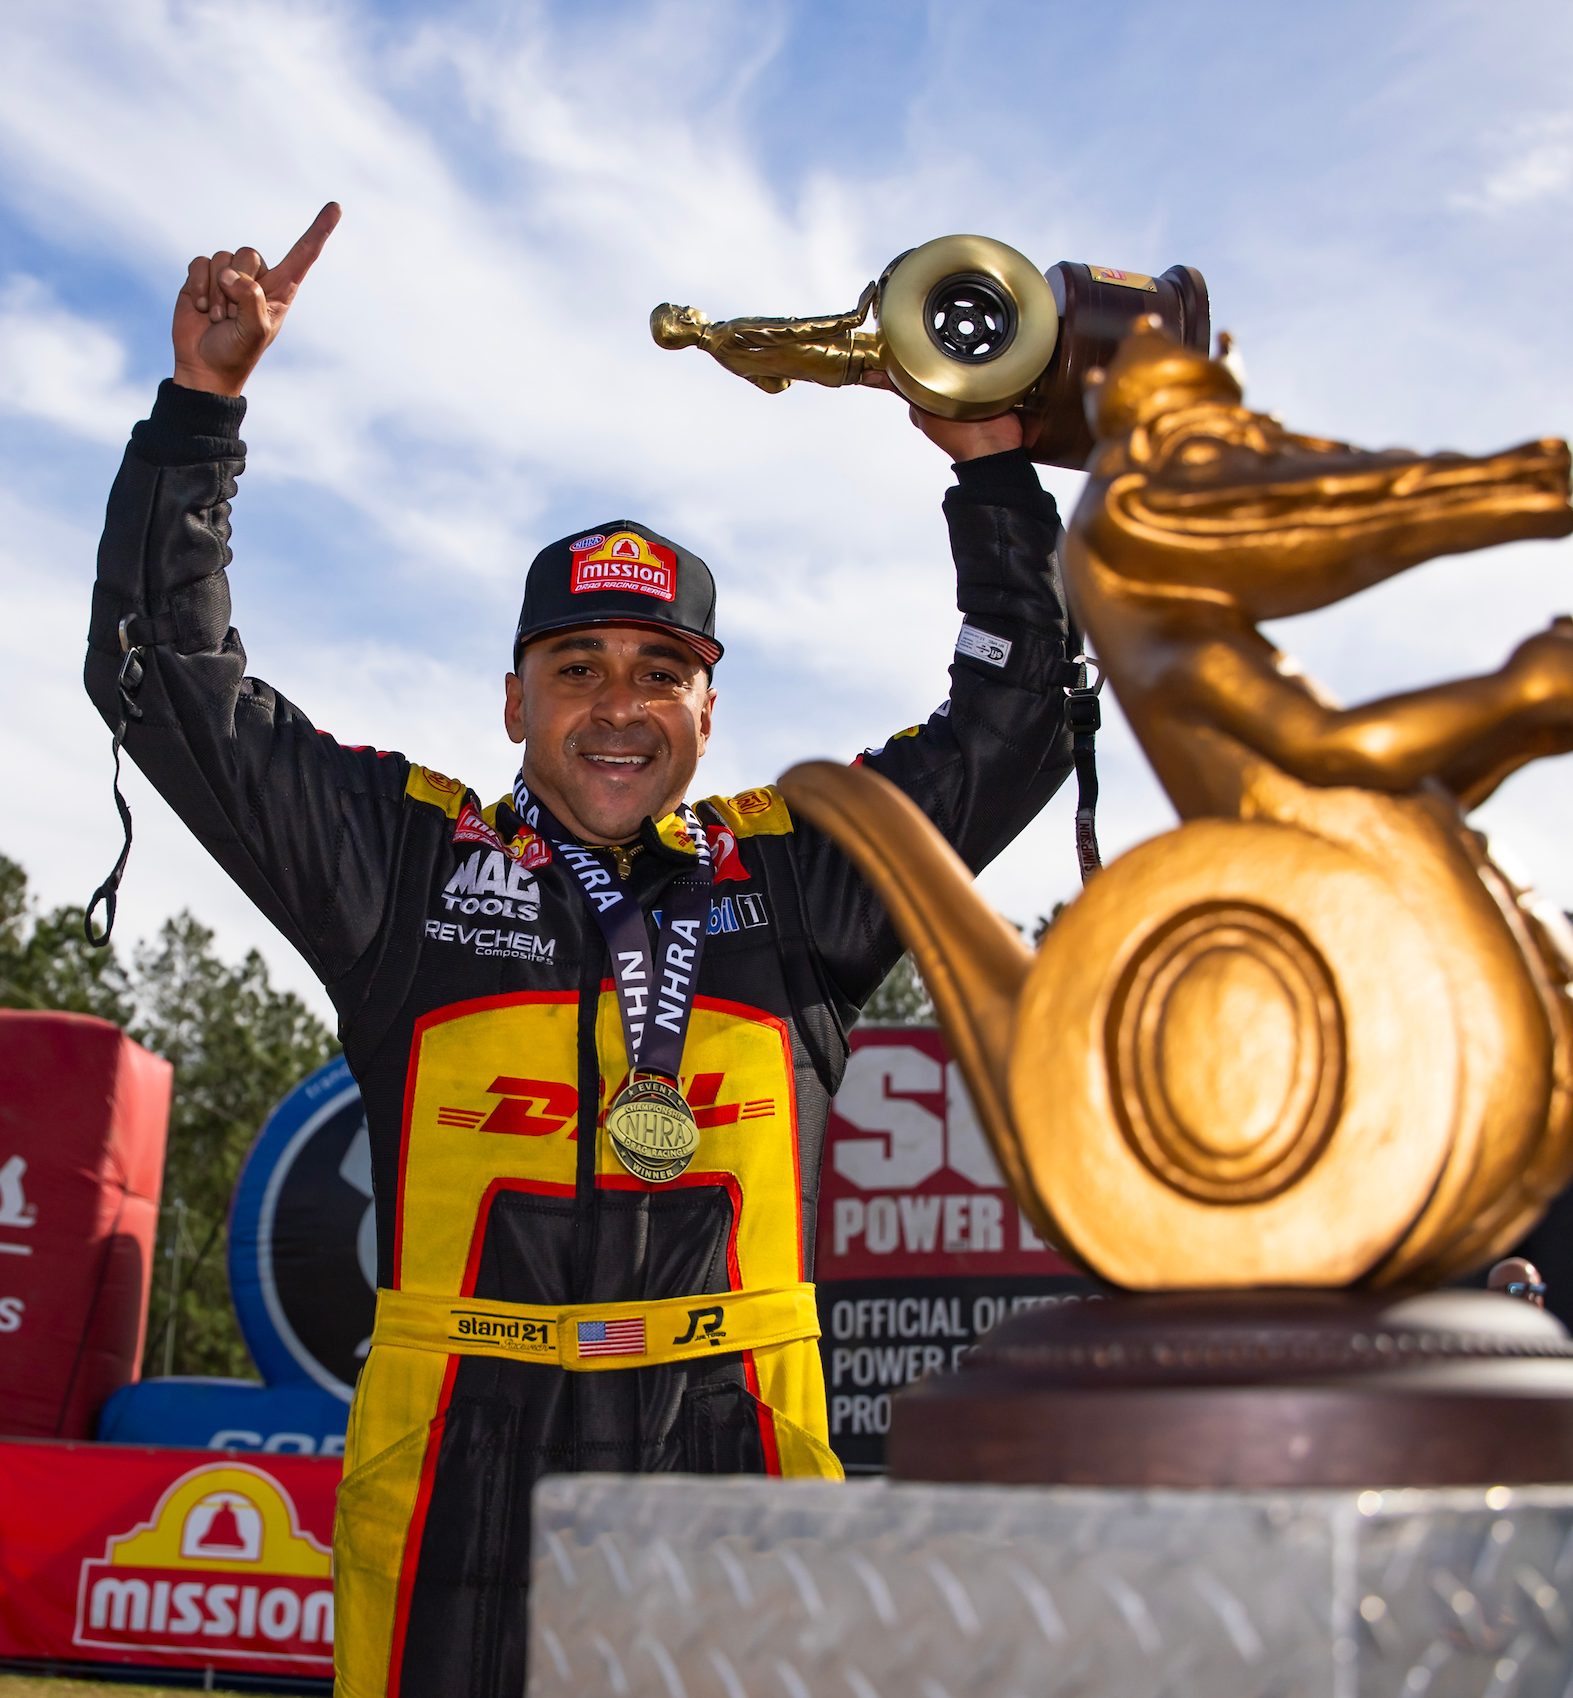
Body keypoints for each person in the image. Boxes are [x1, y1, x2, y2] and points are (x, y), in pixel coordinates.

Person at [84, 205, 1074, 1698]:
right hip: (455, 1452)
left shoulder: (798, 876)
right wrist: (201, 411)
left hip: (731, 1440)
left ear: (708, 707)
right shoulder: (405, 869)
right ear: (513, 698)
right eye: (578, 669)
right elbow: (162, 677)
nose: (619, 705)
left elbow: (1021, 725)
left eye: (660, 671)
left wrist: (993, 469)